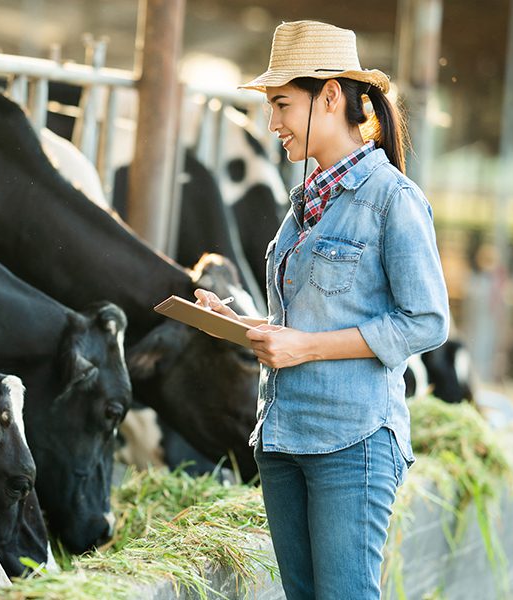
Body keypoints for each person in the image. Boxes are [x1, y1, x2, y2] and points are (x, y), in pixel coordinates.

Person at [194, 20, 449, 599]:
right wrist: (238, 322)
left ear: (331, 97)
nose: (272, 121)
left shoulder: (392, 200)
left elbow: (427, 321)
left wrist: (303, 347)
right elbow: (304, 323)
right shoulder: (305, 204)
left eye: (282, 103)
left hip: (353, 441)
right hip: (284, 438)